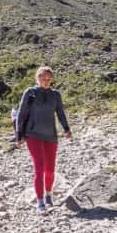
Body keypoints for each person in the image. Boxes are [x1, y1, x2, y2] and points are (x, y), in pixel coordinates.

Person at [15, 66, 72, 215]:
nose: (46, 81)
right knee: (39, 169)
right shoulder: (31, 93)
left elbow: (60, 112)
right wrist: (19, 135)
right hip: (32, 134)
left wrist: (66, 128)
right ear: (37, 78)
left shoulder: (55, 95)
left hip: (51, 135)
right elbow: (22, 113)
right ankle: (40, 203)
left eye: (48, 78)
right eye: (43, 78)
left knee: (50, 170)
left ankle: (48, 195)